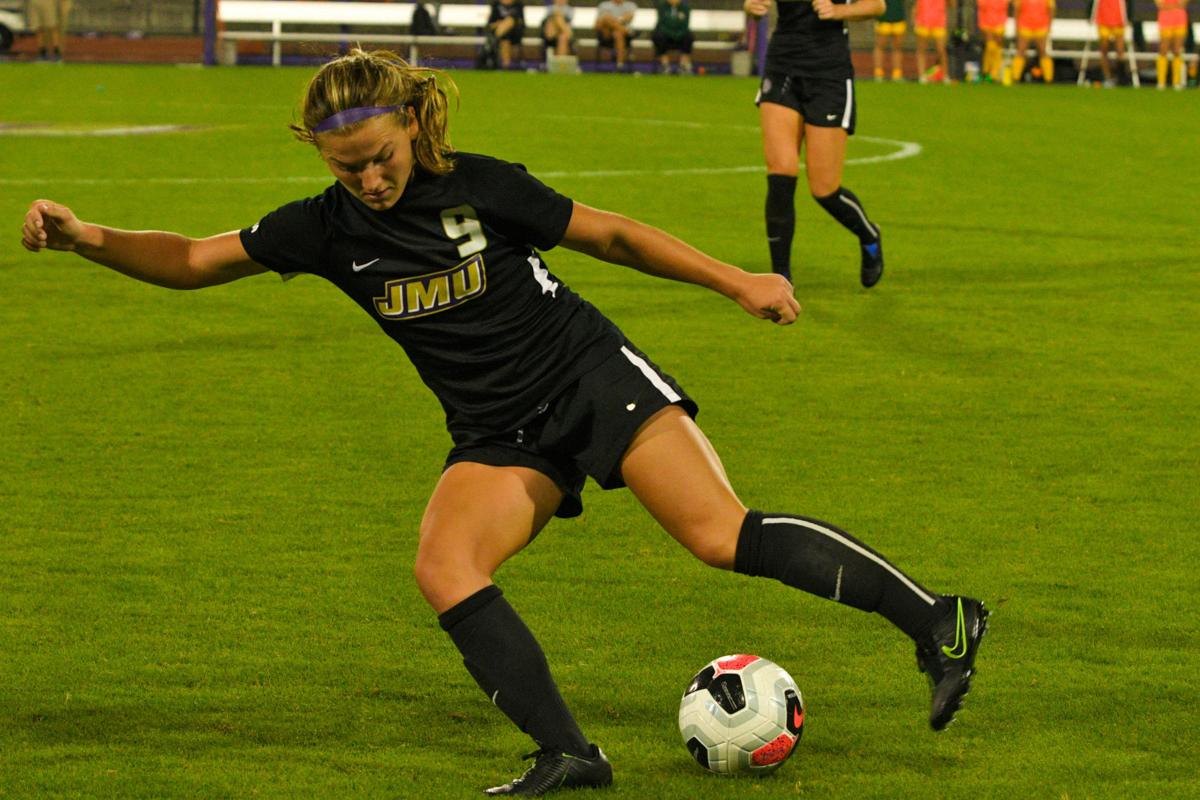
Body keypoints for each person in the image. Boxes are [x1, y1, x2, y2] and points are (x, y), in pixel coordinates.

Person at [21, 48, 988, 797]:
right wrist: (86, 238)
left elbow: (612, 235)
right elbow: (194, 259)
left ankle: (938, 622)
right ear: (319, 154)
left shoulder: (479, 185)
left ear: (412, 124)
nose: (370, 179)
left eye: (382, 158)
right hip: (495, 429)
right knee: (445, 566)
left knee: (718, 536)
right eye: (348, 166)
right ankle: (571, 755)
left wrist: (737, 281)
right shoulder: (323, 228)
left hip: (589, 377)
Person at [744, 0, 887, 288]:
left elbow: (877, 6)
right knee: (781, 173)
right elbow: (753, 3)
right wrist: (751, 6)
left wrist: (839, 11)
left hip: (828, 72)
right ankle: (780, 280)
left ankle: (869, 235)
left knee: (824, 189)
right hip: (782, 64)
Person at [1007, 0, 1055, 84]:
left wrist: (1049, 26)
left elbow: (1051, 9)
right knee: (1021, 51)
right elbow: (1016, 9)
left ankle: (1048, 78)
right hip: (1024, 26)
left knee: (1042, 51)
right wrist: (1016, 26)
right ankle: (1015, 77)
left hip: (1041, 26)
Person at [914, 0, 953, 83]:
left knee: (941, 50)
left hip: (939, 21)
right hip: (923, 20)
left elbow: (951, 4)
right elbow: (916, 6)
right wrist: (915, 19)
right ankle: (922, 76)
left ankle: (945, 76)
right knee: (921, 49)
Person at [1091, 0, 1129, 87]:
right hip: (1103, 17)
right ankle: (1107, 77)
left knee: (1120, 50)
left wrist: (1129, 16)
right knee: (1104, 50)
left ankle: (1121, 78)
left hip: (1119, 17)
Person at [651, 0, 695, 73]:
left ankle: (683, 65)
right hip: (666, 36)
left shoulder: (685, 8)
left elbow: (685, 25)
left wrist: (677, 35)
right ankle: (665, 65)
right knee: (657, 36)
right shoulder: (662, 7)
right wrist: (671, 34)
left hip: (680, 36)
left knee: (689, 36)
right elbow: (661, 25)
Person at [1155, 0, 1189, 89]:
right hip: (1165, 20)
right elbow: (1160, 5)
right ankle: (1161, 82)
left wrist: (1171, 6)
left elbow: (1183, 3)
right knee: (1163, 50)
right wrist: (1175, 6)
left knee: (1177, 51)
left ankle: (1176, 82)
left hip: (1180, 20)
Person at [596, 0, 639, 70]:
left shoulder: (630, 5)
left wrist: (616, 21)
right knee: (607, 18)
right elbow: (598, 24)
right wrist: (612, 22)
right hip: (606, 33)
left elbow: (629, 17)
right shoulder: (604, 5)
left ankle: (619, 65)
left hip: (622, 35)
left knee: (617, 33)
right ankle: (626, 31)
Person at [873, 0, 908, 82]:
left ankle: (897, 74)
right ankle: (878, 73)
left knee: (897, 47)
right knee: (880, 46)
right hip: (883, 18)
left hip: (898, 17)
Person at [488, 0, 527, 69]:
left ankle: (493, 43)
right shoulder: (496, 4)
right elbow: (491, 24)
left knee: (510, 21)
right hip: (501, 32)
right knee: (505, 37)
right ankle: (506, 66)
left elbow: (521, 22)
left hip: (515, 32)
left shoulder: (518, 4)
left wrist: (508, 23)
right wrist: (502, 23)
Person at [976, 0, 1009, 82]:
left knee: (998, 48)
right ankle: (986, 72)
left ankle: (994, 74)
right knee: (990, 47)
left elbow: (1005, 8)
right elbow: (981, 10)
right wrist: (982, 25)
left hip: (1000, 23)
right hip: (986, 23)